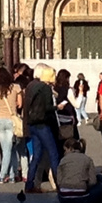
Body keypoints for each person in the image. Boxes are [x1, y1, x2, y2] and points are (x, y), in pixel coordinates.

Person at [24, 64, 63, 194]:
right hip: (42, 124)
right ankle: (59, 184)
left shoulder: (32, 86)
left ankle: (29, 184)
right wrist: (58, 107)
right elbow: (47, 107)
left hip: (32, 124)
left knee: (36, 155)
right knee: (53, 153)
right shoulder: (45, 88)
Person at [57, 137, 102, 203]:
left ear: (70, 149)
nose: (64, 153)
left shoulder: (63, 160)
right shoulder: (87, 159)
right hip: (81, 196)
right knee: (100, 184)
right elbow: (92, 182)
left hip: (64, 196)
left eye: (65, 150)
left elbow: (59, 181)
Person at [0, 67, 22, 183]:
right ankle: (2, 174)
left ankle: (12, 175)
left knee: (8, 148)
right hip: (10, 120)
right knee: (8, 149)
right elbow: (19, 104)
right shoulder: (16, 87)